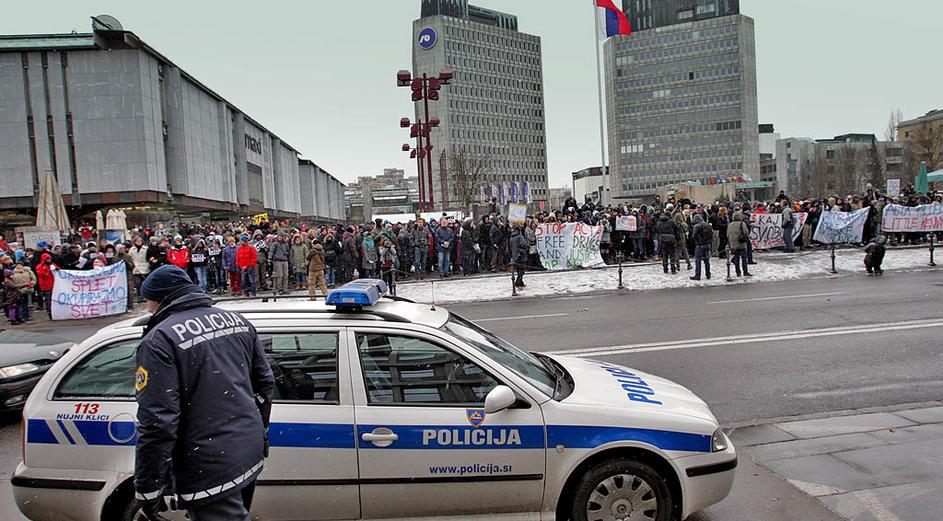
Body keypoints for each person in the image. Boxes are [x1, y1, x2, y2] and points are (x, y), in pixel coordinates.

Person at [134, 265, 274, 521]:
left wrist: (148, 486)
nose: (147, 308)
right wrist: (259, 433)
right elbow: (264, 384)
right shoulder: (237, 321)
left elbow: (158, 421)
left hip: (208, 464)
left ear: (159, 299)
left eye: (148, 301)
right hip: (246, 451)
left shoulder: (160, 340)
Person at [727, 211, 752, 277]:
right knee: (744, 258)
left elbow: (728, 234)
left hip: (733, 244)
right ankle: (745, 272)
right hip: (741, 244)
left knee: (737, 259)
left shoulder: (730, 225)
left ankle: (738, 272)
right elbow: (746, 232)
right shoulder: (742, 224)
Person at [690, 214, 713, 281]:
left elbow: (693, 236)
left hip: (699, 245)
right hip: (707, 244)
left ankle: (698, 275)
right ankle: (708, 274)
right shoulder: (708, 225)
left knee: (698, 260)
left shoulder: (697, 226)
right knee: (707, 260)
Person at [130, 237, 150, 302]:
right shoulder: (132, 249)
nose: (139, 242)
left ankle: (144, 296)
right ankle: (139, 296)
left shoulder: (146, 249)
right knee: (138, 283)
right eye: (137, 241)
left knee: (144, 283)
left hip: (145, 267)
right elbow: (130, 258)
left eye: (140, 241)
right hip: (136, 268)